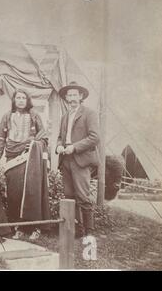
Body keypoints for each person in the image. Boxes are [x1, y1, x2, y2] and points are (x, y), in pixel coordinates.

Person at [0, 89, 50, 240]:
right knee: (14, 193)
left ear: (27, 100)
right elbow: (0, 137)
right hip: (12, 157)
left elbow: (43, 137)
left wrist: (34, 144)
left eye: (23, 98)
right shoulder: (7, 116)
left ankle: (34, 227)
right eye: (17, 98)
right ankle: (18, 227)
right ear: (13, 100)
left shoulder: (34, 116)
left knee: (31, 192)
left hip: (29, 157)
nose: (20, 100)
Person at [56, 81, 99, 238]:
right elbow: (60, 137)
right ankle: (77, 229)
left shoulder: (89, 113)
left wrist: (74, 147)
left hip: (80, 159)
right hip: (65, 159)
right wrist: (59, 146)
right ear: (66, 97)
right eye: (70, 95)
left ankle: (89, 232)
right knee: (69, 195)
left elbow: (94, 137)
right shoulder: (64, 116)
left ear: (81, 96)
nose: (72, 97)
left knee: (82, 196)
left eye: (75, 94)